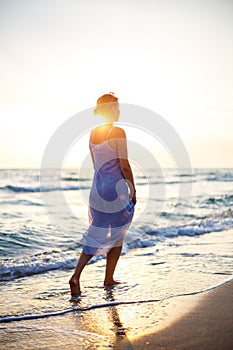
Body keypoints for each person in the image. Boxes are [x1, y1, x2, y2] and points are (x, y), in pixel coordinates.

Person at [69, 93, 136, 297]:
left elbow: (95, 165)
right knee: (118, 234)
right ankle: (108, 279)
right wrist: (132, 188)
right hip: (115, 191)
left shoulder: (92, 135)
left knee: (95, 234)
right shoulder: (118, 132)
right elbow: (123, 164)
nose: (119, 110)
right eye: (116, 106)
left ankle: (76, 276)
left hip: (97, 190)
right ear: (111, 109)